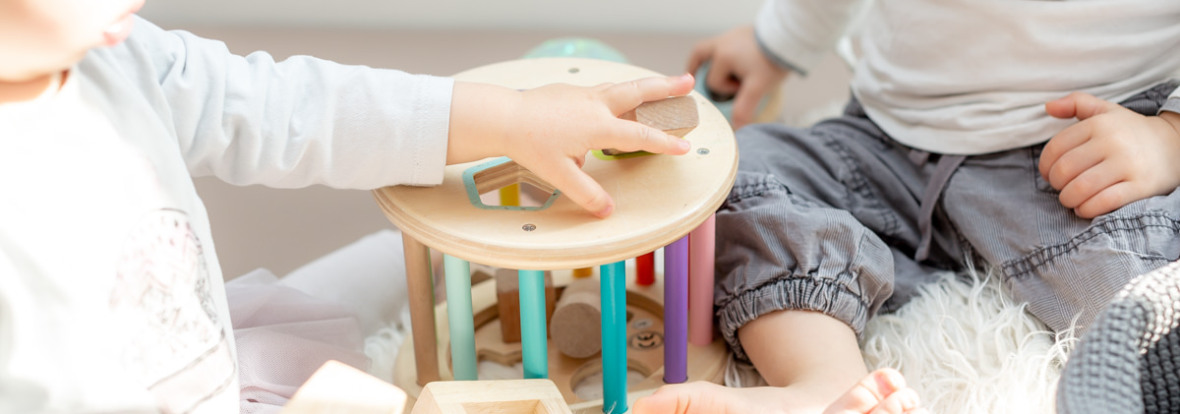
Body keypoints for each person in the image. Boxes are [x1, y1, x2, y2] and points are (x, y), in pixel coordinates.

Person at [0, 0, 708, 412]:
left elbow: (290, 106)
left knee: (430, 252)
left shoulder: (120, 58)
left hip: (217, 363)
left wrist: (513, 120)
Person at [631, 0, 1180, 413]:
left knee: (1144, 310)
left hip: (1084, 153)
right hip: (885, 139)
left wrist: (1169, 138)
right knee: (741, 175)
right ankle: (826, 384)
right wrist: (778, 42)